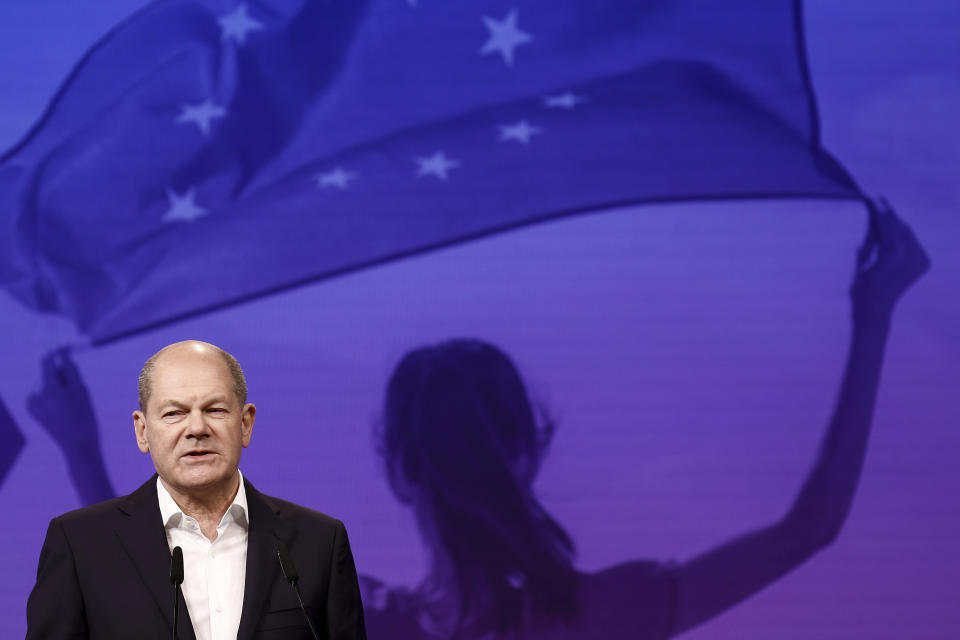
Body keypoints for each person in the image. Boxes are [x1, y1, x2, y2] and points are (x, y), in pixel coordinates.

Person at [360, 200, 930, 639]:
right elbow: (809, 528)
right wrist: (873, 312)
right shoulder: (609, 612)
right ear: (529, 451)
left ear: (398, 473)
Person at [26, 340, 366, 640]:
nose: (197, 428)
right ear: (142, 431)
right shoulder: (79, 544)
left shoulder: (319, 542)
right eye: (175, 413)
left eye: (215, 410)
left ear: (245, 423)